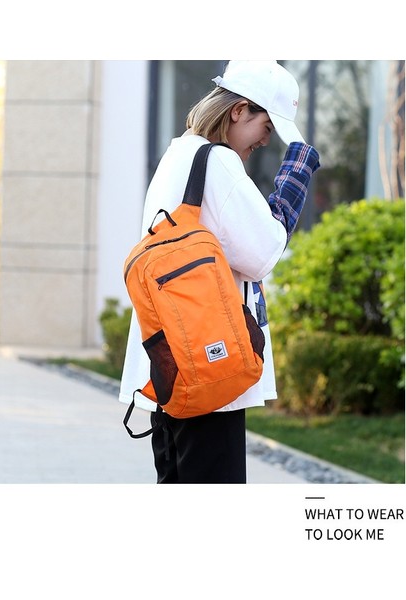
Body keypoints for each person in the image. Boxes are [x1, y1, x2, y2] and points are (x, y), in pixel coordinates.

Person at [119, 60, 320, 484]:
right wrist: (296, 175)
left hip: (171, 365)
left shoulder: (178, 154)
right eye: (266, 126)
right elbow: (264, 253)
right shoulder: (220, 163)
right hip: (210, 367)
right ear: (239, 110)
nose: (266, 140)